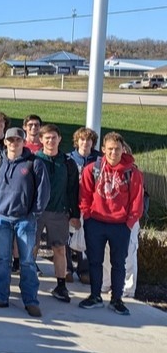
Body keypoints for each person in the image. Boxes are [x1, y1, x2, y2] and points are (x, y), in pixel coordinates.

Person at [0, 127, 49, 318]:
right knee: (2, 260)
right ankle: (0, 296)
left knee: (27, 261)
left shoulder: (34, 163)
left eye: (18, 140)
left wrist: (34, 214)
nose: (14, 143)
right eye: (10, 140)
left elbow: (43, 192)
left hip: (24, 220)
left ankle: (30, 301)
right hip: (1, 218)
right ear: (5, 141)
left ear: (23, 141)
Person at [78, 132, 145, 316]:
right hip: (96, 223)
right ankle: (95, 295)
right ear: (103, 150)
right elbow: (84, 195)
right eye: (110, 149)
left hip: (120, 225)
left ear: (123, 149)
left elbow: (136, 201)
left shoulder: (132, 172)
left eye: (117, 149)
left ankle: (117, 299)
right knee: (95, 261)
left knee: (118, 263)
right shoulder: (92, 169)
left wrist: (129, 223)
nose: (113, 153)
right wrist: (88, 216)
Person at [34, 124, 79, 303]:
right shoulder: (35, 160)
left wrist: (74, 214)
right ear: (41, 140)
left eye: (54, 137)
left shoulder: (68, 163)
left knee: (59, 249)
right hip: (37, 212)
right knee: (31, 248)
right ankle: (29, 283)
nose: (51, 141)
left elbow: (73, 189)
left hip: (59, 213)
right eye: (47, 138)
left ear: (59, 139)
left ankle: (61, 286)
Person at [67, 127, 100, 283]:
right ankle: (67, 268)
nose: (85, 142)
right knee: (67, 235)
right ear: (77, 141)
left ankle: (84, 269)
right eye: (82, 139)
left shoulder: (99, 160)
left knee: (86, 236)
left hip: (91, 204)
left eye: (88, 140)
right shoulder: (69, 159)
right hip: (72, 202)